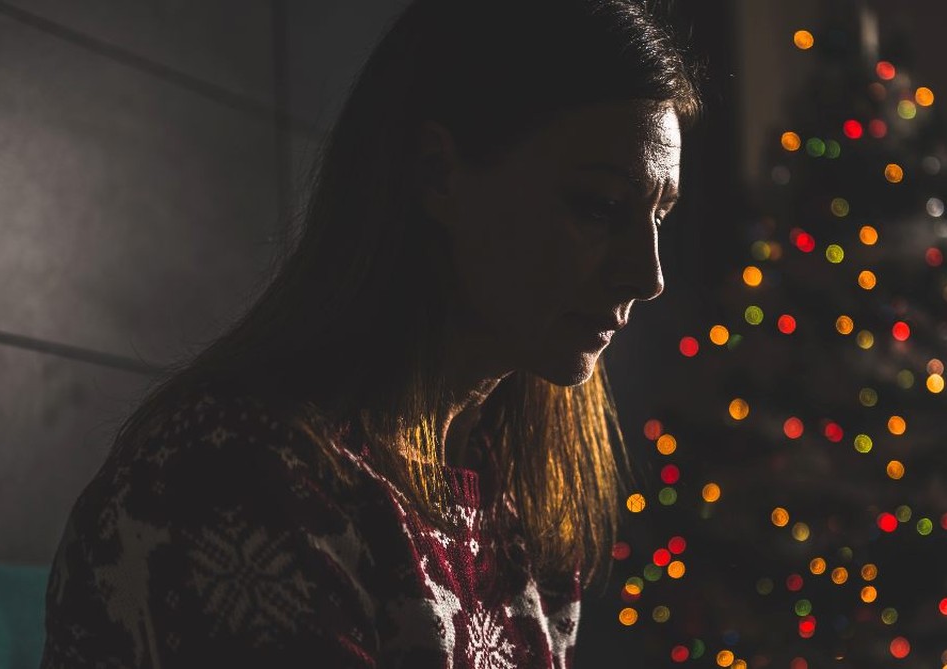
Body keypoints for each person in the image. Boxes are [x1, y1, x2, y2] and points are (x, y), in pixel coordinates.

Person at [38, 0, 701, 666]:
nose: (648, 276)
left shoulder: (519, 503)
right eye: (599, 206)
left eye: (658, 215)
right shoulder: (238, 474)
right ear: (437, 173)